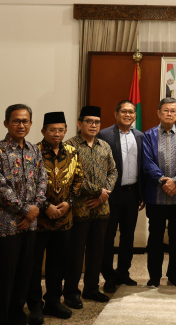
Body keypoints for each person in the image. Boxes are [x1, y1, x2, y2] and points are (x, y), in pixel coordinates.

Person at [0, 104, 47, 325]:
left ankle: (17, 317)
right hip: (5, 225)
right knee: (4, 279)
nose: (21, 125)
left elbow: (42, 181)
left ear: (31, 124)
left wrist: (34, 211)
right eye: (16, 121)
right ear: (6, 123)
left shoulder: (34, 150)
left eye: (25, 121)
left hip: (29, 224)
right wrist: (26, 210)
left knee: (25, 275)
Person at [28, 111, 83, 324]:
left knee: (58, 263)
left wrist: (69, 202)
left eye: (61, 130)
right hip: (39, 220)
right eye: (53, 130)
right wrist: (46, 206)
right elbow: (29, 183)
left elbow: (78, 180)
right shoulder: (34, 151)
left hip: (64, 219)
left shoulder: (72, 151)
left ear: (66, 130)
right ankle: (34, 305)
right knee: (33, 265)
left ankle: (53, 300)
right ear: (43, 131)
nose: (57, 134)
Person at [63, 106, 117, 307]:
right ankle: (70, 292)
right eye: (89, 121)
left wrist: (105, 194)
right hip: (79, 208)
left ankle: (92, 289)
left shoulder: (105, 146)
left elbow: (114, 171)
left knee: (97, 252)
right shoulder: (69, 147)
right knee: (76, 253)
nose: (93, 125)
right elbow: (73, 177)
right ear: (79, 124)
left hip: (102, 208)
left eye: (97, 122)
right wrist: (98, 191)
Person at [142, 98, 176, 287]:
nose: (169, 114)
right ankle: (154, 277)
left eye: (173, 111)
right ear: (159, 113)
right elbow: (147, 162)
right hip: (156, 197)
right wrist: (165, 181)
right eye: (166, 110)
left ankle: (174, 276)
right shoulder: (148, 136)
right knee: (155, 239)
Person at [98, 101, 144, 294]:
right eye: (123, 111)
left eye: (131, 112)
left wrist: (142, 193)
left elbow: (143, 166)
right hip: (111, 194)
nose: (127, 114)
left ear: (135, 115)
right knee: (108, 237)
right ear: (116, 114)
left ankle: (123, 272)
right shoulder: (105, 134)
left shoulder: (140, 136)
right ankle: (109, 275)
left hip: (132, 193)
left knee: (128, 235)